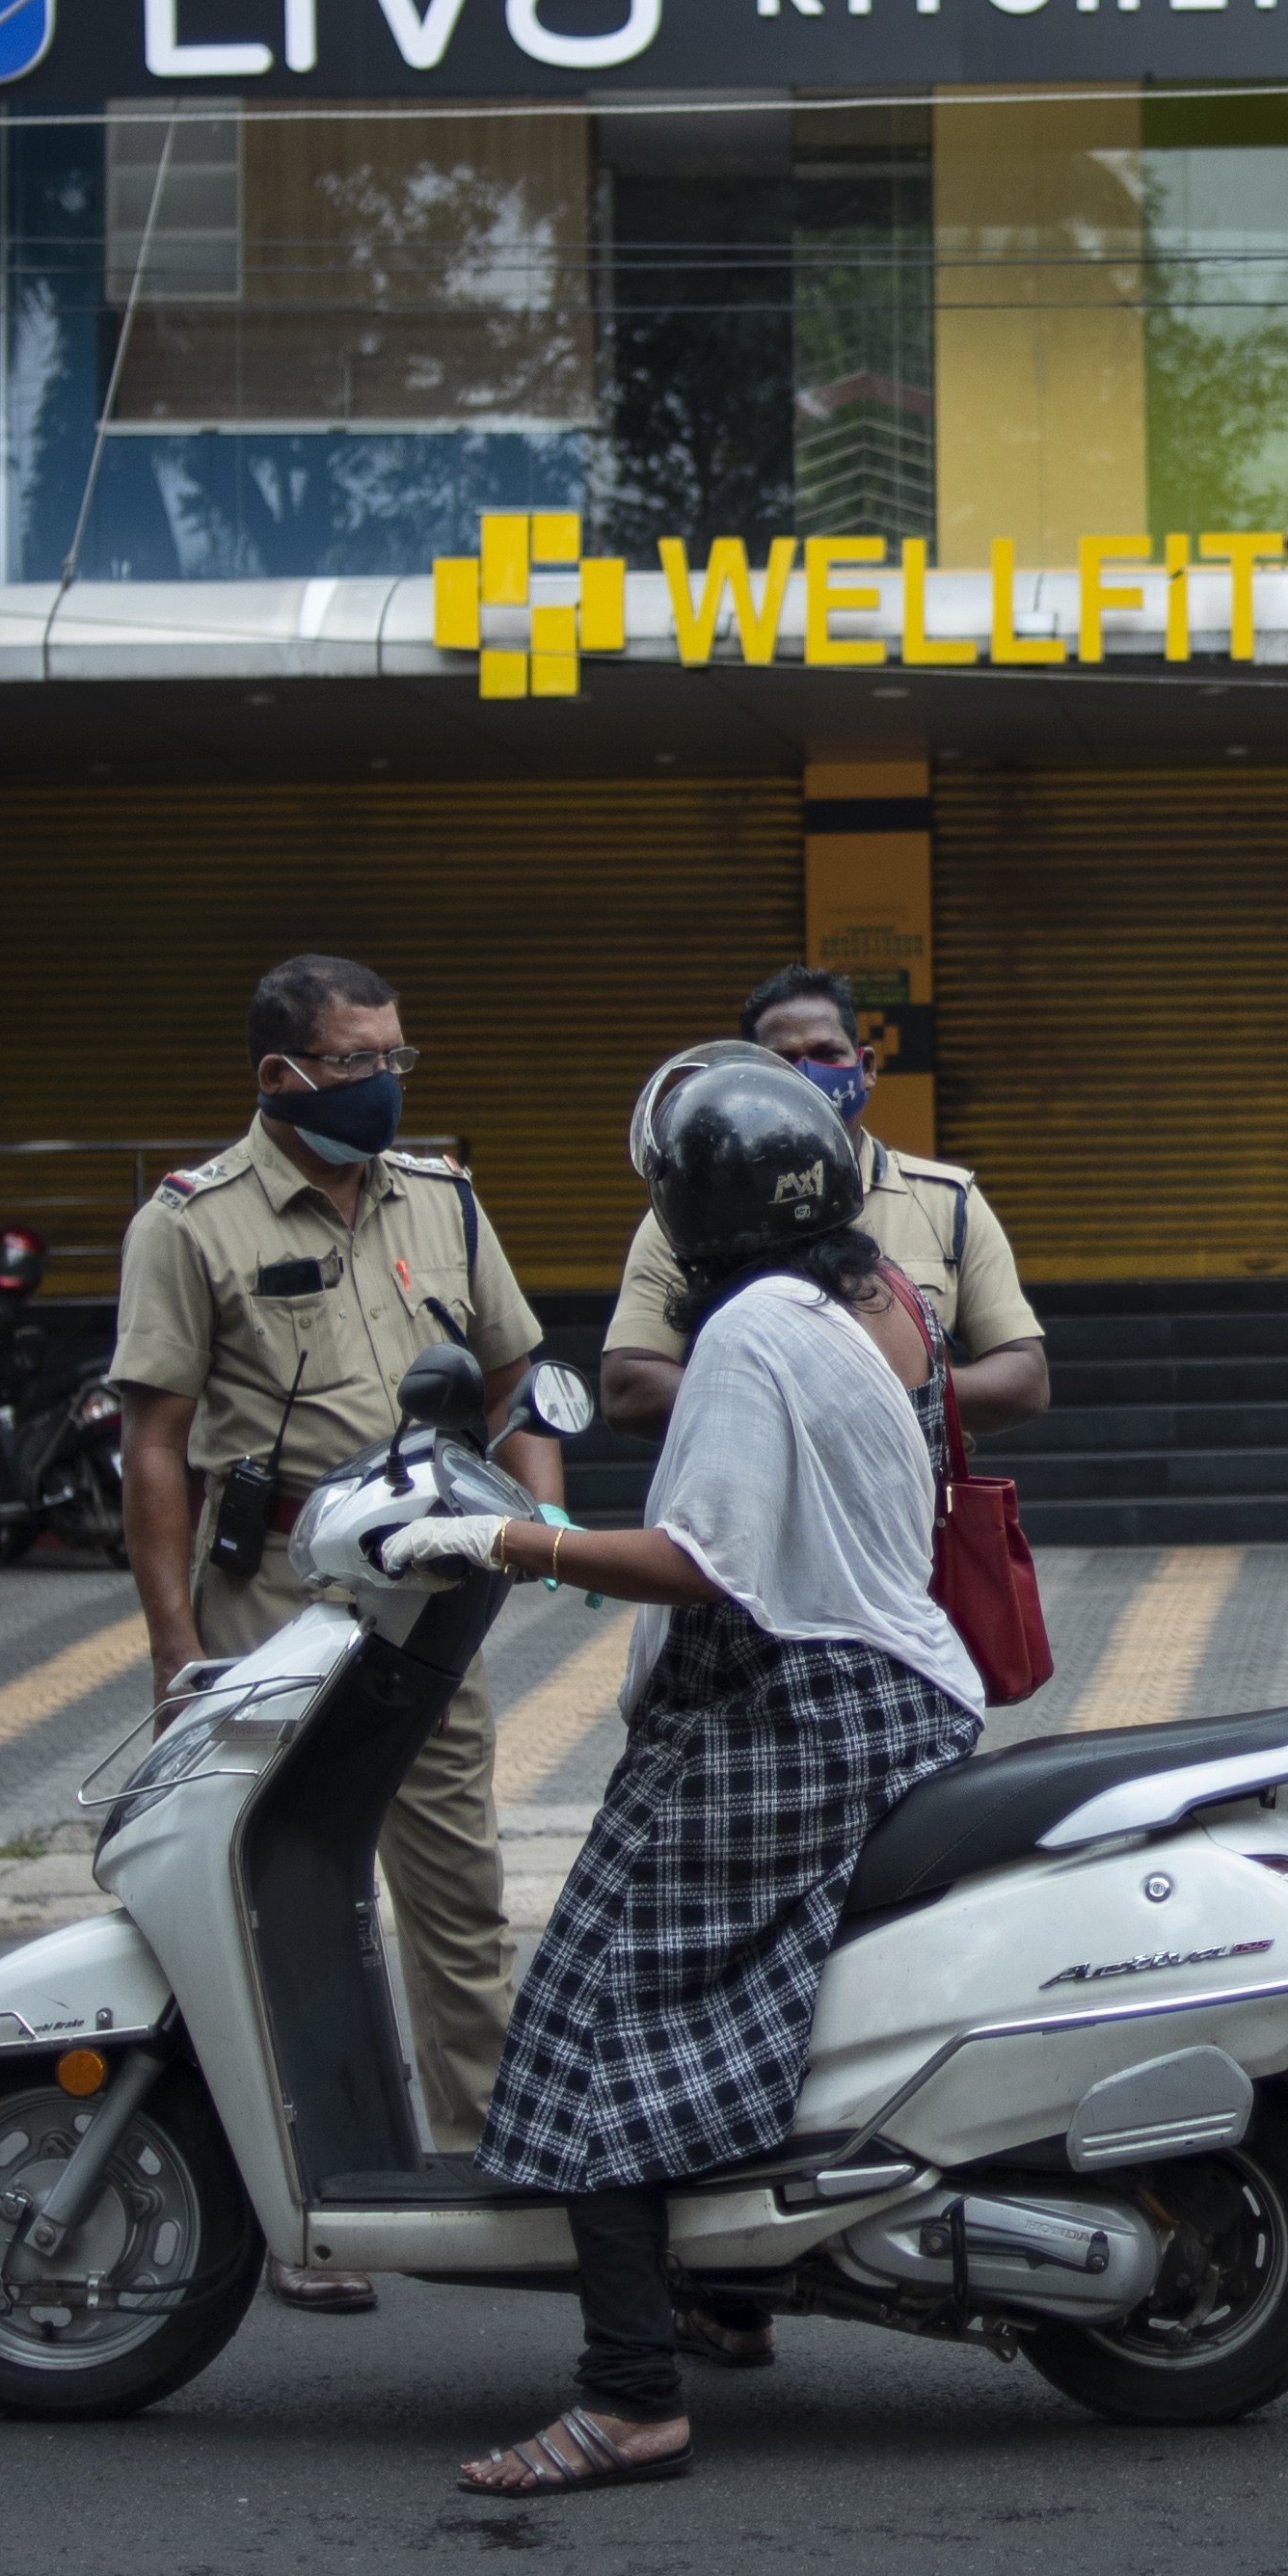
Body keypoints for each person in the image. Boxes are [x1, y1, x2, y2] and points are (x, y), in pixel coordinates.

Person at [375, 1050, 985, 2499]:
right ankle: (727, 2295)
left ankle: (628, 2394)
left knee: (591, 2012)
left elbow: (698, 1563)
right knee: (705, 1994)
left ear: (691, 1215)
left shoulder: (749, 1335)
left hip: (793, 1700)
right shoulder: (871, 1302)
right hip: (886, 1687)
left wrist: (515, 1541)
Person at [110, 952, 566, 2303]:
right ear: (282, 1076)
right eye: (362, 1062)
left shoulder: (444, 1199)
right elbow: (154, 1444)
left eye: (396, 1060)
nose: (386, 1083)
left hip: (429, 1587)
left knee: (456, 1891)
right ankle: (280, 2198)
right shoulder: (188, 1222)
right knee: (271, 1894)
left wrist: (533, 1519)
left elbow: (515, 1371)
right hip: (278, 1594)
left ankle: (490, 2170)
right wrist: (171, 1638)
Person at [603, 966, 1045, 1445]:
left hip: (919, 1507)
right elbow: (628, 1389)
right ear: (747, 1081)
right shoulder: (694, 1215)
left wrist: (860, 1388)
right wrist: (788, 1395)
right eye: (784, 1061)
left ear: (866, 1067)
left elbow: (1024, 1380)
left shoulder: (947, 1202)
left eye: (826, 1053)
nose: (806, 1075)